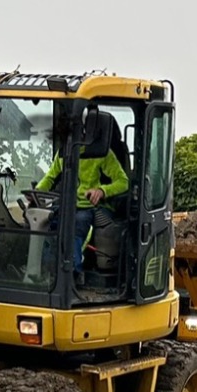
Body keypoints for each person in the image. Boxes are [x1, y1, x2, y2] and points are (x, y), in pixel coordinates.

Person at [36, 108, 130, 275]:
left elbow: (123, 182)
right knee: (48, 222)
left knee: (76, 224)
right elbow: (50, 178)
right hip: (68, 204)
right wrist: (35, 193)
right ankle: (44, 273)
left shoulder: (103, 154)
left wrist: (102, 191)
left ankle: (73, 273)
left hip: (92, 207)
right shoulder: (64, 153)